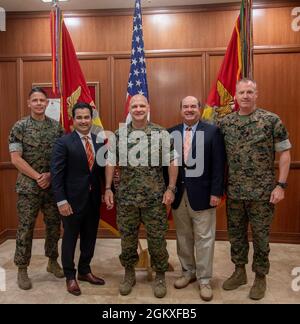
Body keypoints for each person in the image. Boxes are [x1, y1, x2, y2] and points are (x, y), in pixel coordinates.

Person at [219, 78, 292, 300]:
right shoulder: (225, 123)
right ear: (236, 96)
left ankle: (260, 277)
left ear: (256, 94)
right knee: (236, 235)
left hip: (262, 194)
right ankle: (239, 271)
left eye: (250, 92)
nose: (246, 96)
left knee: (261, 237)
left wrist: (281, 185)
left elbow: (285, 153)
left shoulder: (271, 120)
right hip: (234, 192)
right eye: (242, 92)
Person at [104, 94, 178, 298]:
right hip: (126, 199)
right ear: (129, 108)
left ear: (148, 107)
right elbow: (111, 162)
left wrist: (171, 188)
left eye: (141, 105)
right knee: (127, 240)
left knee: (157, 240)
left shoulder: (160, 133)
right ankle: (129, 274)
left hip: (154, 199)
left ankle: (160, 274)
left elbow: (172, 161)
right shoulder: (119, 135)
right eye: (134, 105)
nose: (138, 109)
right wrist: (108, 188)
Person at [168, 96, 226, 301]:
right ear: (180, 109)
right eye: (185, 106)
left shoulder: (212, 132)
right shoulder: (171, 132)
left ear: (199, 109)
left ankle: (204, 279)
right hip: (179, 196)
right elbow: (167, 166)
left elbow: (219, 165)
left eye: (193, 106)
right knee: (183, 237)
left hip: (204, 195)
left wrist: (216, 192)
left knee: (205, 239)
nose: (189, 109)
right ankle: (187, 272)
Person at [8, 87, 64, 290]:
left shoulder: (56, 128)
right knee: (25, 229)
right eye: (35, 100)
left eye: (42, 100)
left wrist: (49, 175)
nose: (39, 103)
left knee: (53, 227)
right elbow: (15, 158)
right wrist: (38, 176)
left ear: (47, 103)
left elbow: (61, 158)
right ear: (29, 103)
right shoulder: (19, 127)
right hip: (28, 188)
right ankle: (22, 268)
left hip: (51, 187)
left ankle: (52, 261)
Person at [50, 102, 105, 296]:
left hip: (93, 200)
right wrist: (61, 201)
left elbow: (102, 171)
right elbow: (56, 175)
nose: (83, 121)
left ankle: (84, 271)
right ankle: (70, 276)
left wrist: (110, 188)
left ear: (91, 118)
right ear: (73, 120)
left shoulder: (99, 141)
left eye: (86, 117)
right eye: (79, 117)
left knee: (90, 238)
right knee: (70, 239)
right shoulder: (63, 142)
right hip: (71, 202)